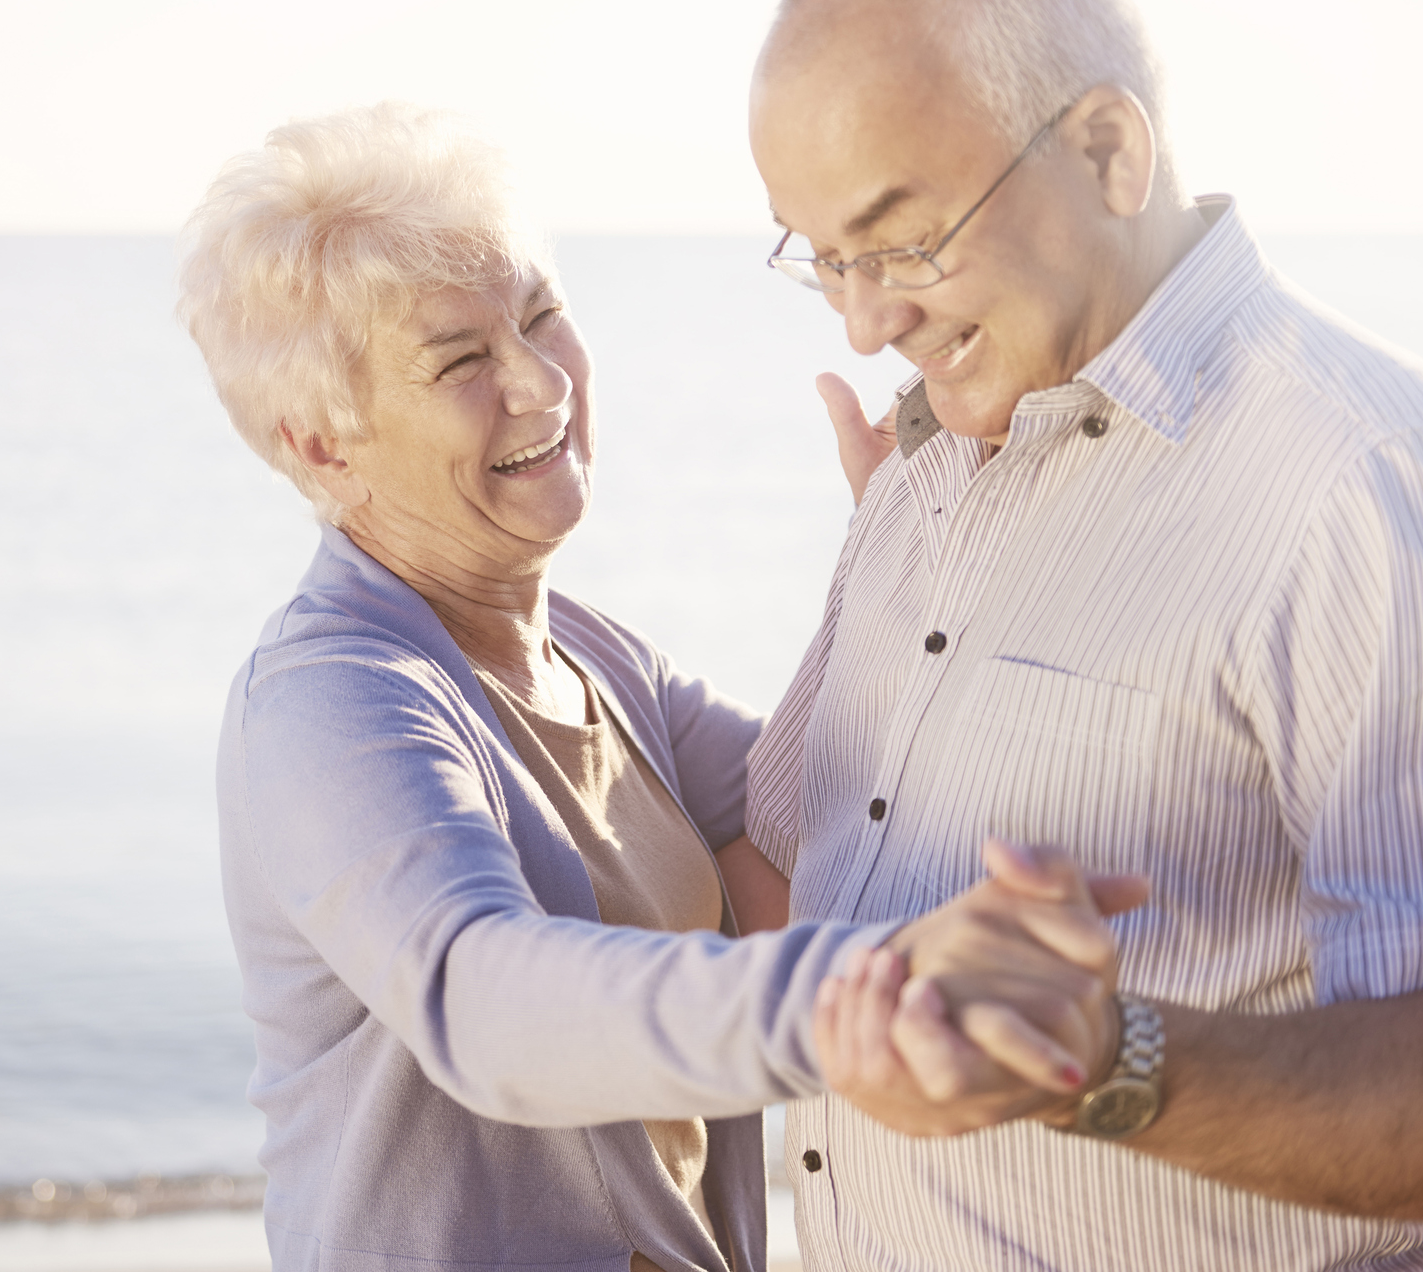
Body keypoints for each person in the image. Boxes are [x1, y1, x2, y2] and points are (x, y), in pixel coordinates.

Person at [180, 103, 1137, 1272]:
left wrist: (905, 547)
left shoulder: (599, 658)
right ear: (323, 444)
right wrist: (858, 1000)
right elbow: (487, 1002)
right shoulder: (331, 698)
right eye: (461, 360)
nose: (539, 383)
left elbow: (854, 832)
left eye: (541, 318)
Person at [743, 0, 1423, 1269]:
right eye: (819, 255)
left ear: (1106, 149)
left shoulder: (1363, 487)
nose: (862, 317)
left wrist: (1094, 1058)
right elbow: (785, 861)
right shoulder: (925, 456)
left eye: (895, 240)